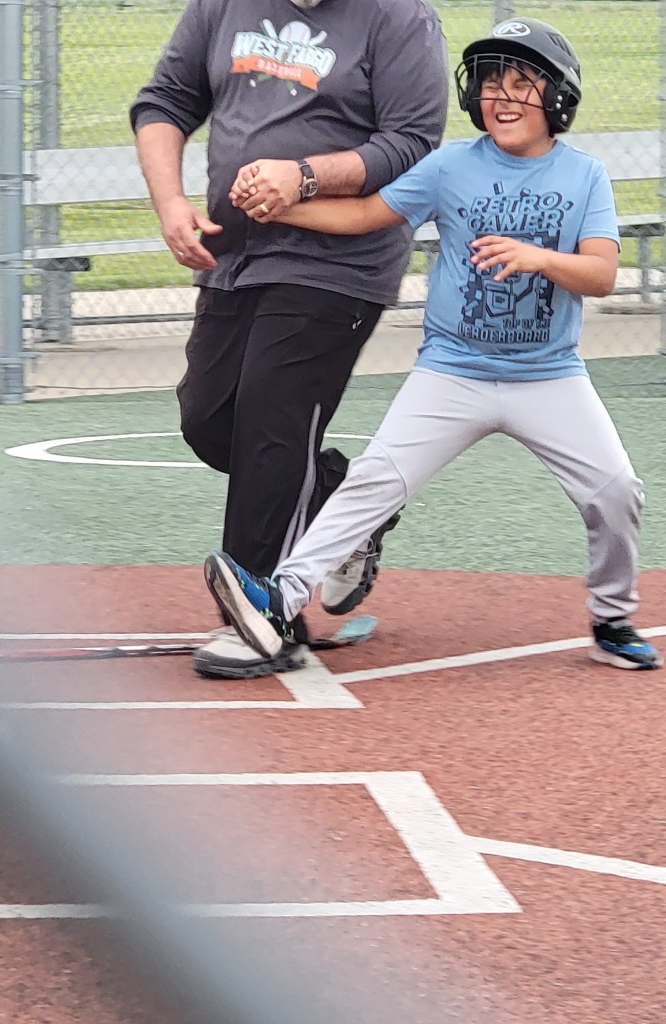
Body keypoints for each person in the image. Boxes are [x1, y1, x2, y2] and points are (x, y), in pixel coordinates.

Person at [202, 17, 663, 672]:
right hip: (452, 371)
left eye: (522, 83)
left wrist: (535, 257)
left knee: (615, 489)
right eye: (491, 82)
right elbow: (366, 215)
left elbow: (603, 274)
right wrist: (283, 207)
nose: (501, 96)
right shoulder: (450, 165)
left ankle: (613, 615)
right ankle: (277, 599)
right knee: (372, 484)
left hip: (548, 375)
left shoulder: (584, 176)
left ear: (558, 96)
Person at [129, 0, 450, 679]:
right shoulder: (222, 6)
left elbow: (411, 142)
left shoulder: (399, 17)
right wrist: (170, 204)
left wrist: (304, 175)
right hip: (234, 255)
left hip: (338, 264)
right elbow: (164, 101)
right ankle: (349, 509)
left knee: (274, 423)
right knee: (212, 422)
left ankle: (262, 619)